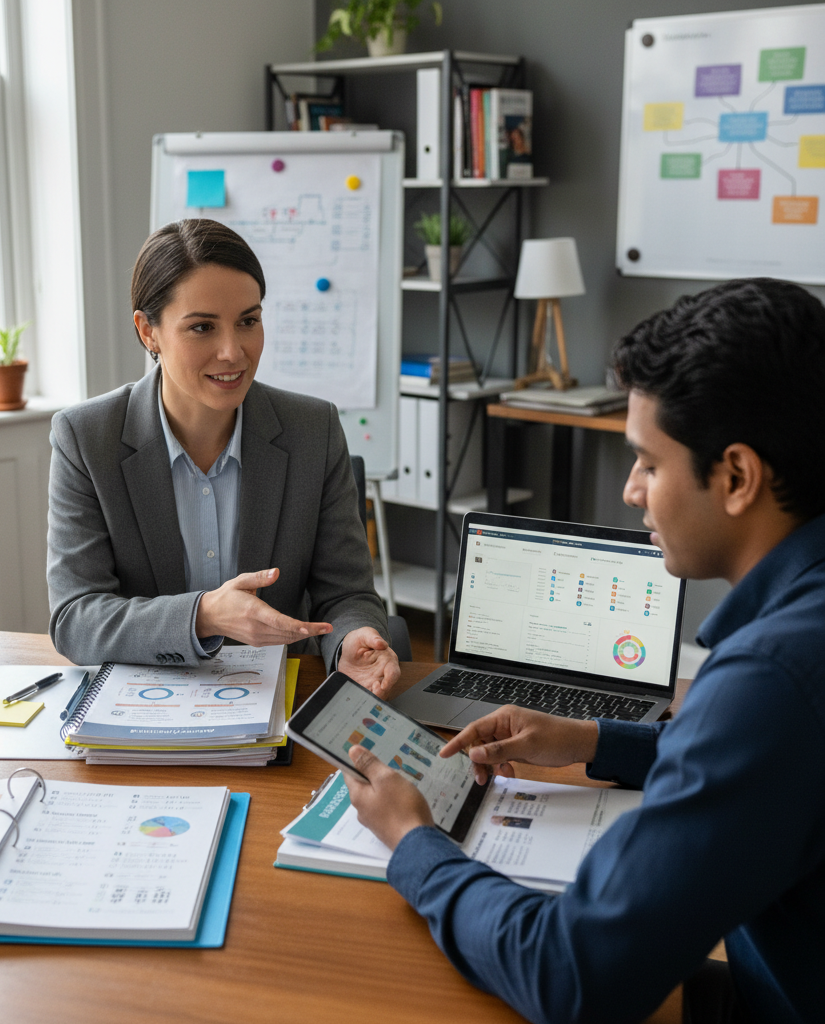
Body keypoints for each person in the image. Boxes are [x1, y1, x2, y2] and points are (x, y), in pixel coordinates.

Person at [342, 277, 825, 1024]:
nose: (631, 491)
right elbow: (767, 762)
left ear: (736, 476)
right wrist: (592, 739)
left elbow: (571, 976)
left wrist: (414, 842)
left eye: (649, 464)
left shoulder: (771, 678)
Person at [47, 218, 399, 695]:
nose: (233, 352)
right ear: (148, 332)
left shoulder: (313, 430)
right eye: (202, 327)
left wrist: (352, 638)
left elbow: (347, 593)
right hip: (145, 702)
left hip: (277, 700)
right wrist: (204, 615)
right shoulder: (87, 438)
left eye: (248, 321)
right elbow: (76, 618)